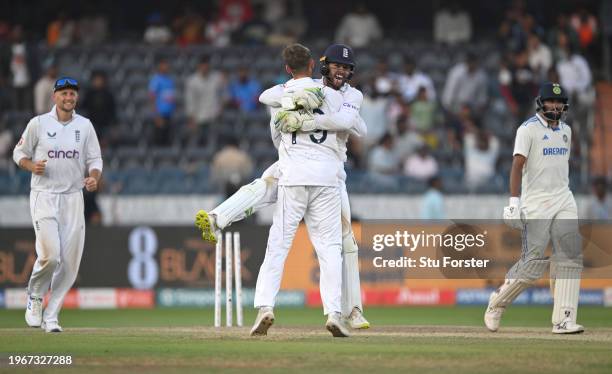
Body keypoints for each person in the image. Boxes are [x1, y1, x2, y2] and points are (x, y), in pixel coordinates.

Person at [195, 44, 370, 332]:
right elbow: (350, 122)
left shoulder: (325, 92)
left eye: (347, 68)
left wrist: (303, 117)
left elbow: (354, 124)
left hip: (309, 173)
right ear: (318, 65)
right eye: (337, 66)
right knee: (328, 247)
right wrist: (303, 99)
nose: (342, 71)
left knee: (285, 243)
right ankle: (335, 312)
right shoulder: (321, 91)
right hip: (323, 175)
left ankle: (273, 306)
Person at [485, 82, 584, 334]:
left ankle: (564, 319)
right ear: (541, 103)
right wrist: (514, 202)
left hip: (564, 198)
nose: (556, 106)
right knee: (532, 266)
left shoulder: (567, 131)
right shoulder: (527, 130)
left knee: (570, 256)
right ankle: (497, 303)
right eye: (551, 101)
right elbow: (518, 166)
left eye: (560, 103)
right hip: (536, 203)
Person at [12, 77, 103, 333]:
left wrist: (94, 178)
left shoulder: (85, 126)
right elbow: (18, 153)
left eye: (72, 93)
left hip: (74, 198)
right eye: (63, 93)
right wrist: (32, 166)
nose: (68, 97)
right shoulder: (38, 124)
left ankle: (51, 317)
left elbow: (95, 159)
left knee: (70, 264)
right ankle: (35, 296)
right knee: (50, 256)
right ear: (54, 97)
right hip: (44, 195)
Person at [148, 58, 176, 146]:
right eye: (164, 64)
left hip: (168, 114)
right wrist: (156, 115)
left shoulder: (169, 80)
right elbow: (152, 98)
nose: (166, 67)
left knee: (167, 140)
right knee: (159, 140)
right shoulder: (156, 80)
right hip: (160, 115)